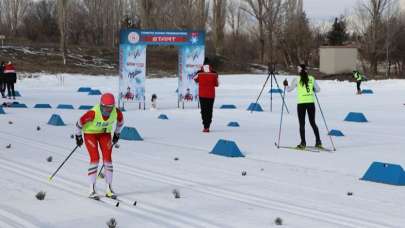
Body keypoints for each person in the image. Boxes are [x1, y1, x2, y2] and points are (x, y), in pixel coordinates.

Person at [75, 93, 124, 199]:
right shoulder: (93, 113)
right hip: (90, 134)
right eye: (105, 108)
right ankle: (92, 189)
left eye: (110, 108)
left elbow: (120, 122)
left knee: (108, 159)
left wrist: (117, 133)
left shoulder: (116, 112)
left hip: (104, 134)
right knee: (95, 158)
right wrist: (78, 136)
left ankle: (109, 189)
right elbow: (79, 123)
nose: (107, 111)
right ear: (101, 105)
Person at [283, 64, 322, 149]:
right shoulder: (311, 78)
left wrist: (285, 85)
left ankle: (303, 143)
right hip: (311, 103)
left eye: (298, 68)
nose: (297, 70)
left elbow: (289, 90)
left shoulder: (296, 79)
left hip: (301, 104)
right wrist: (312, 89)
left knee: (302, 124)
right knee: (313, 123)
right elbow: (318, 90)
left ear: (300, 70)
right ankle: (318, 142)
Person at [194, 57, 219, 133]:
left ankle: (205, 126)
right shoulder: (214, 73)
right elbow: (217, 84)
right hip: (211, 95)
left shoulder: (199, 73)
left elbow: (195, 79)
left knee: (203, 110)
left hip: (202, 95)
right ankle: (208, 125)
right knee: (209, 110)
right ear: (210, 64)